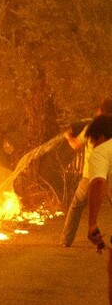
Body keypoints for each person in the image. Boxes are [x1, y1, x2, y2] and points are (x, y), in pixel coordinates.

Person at [60, 98, 112, 247]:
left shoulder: (93, 127)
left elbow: (75, 145)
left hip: (91, 175)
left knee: (76, 205)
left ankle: (66, 241)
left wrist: (67, 136)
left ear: (101, 111)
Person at [84, 115, 112, 305]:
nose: (92, 146)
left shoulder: (102, 151)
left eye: (92, 141)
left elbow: (98, 183)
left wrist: (92, 223)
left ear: (101, 137)